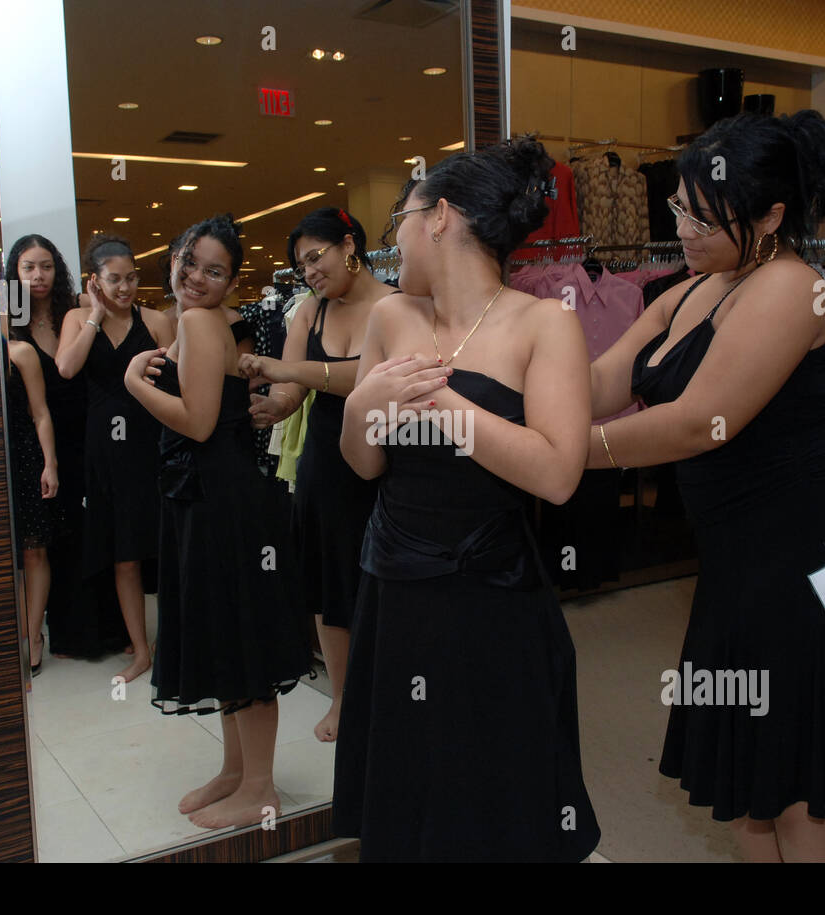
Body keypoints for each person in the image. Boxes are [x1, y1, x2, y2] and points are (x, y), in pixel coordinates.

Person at [587, 110, 825, 861]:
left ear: (772, 215)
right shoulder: (686, 291)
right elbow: (599, 380)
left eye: (705, 218)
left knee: (809, 792)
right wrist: (494, 401)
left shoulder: (789, 287)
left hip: (822, 555)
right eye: (678, 208)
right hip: (743, 563)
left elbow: (698, 421)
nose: (682, 229)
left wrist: (564, 455)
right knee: (754, 791)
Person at [334, 138, 602, 861]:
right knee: (409, 792)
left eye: (401, 222)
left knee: (492, 800)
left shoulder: (545, 324)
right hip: (397, 592)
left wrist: (440, 401)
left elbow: (556, 472)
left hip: (494, 595)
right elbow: (363, 464)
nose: (395, 243)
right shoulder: (391, 318)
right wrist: (365, 405)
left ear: (441, 216)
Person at [125, 215, 311, 829]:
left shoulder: (203, 323)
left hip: (223, 502)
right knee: (228, 636)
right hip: (202, 497)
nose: (196, 277)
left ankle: (261, 788)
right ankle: (237, 772)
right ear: (174, 256)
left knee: (241, 638)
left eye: (215, 271)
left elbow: (198, 422)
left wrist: (135, 385)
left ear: (232, 283)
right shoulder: (191, 322)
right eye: (189, 261)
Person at [240, 207, 393, 743]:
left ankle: (391, 694)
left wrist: (288, 372)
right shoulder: (309, 311)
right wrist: (273, 405)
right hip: (326, 465)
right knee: (332, 586)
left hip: (387, 463)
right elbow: (291, 388)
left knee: (383, 584)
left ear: (349, 244)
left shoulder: (395, 305)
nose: (308, 273)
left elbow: (369, 379)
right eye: (301, 265)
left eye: (315, 257)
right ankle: (345, 698)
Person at [5, 234, 130, 662]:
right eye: (28, 268)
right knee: (47, 541)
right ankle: (60, 632)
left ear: (57, 270)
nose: (38, 276)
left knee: (90, 530)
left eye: (46, 266)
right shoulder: (8, 322)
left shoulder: (77, 309)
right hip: (35, 440)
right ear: (15, 274)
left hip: (87, 431)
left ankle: (105, 632)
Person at [56, 234, 174, 684]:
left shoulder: (157, 320)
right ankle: (140, 650)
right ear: (95, 281)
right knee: (124, 554)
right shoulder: (77, 317)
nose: (125, 288)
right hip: (105, 449)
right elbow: (66, 368)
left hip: (154, 440)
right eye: (114, 280)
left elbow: (180, 376)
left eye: (131, 278)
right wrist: (96, 317)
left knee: (164, 547)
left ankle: (171, 640)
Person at [1, 333, 59, 675]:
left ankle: (33, 635)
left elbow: (40, 413)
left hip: (24, 457)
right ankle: (4, 639)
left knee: (33, 549)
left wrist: (50, 463)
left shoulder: (20, 353)